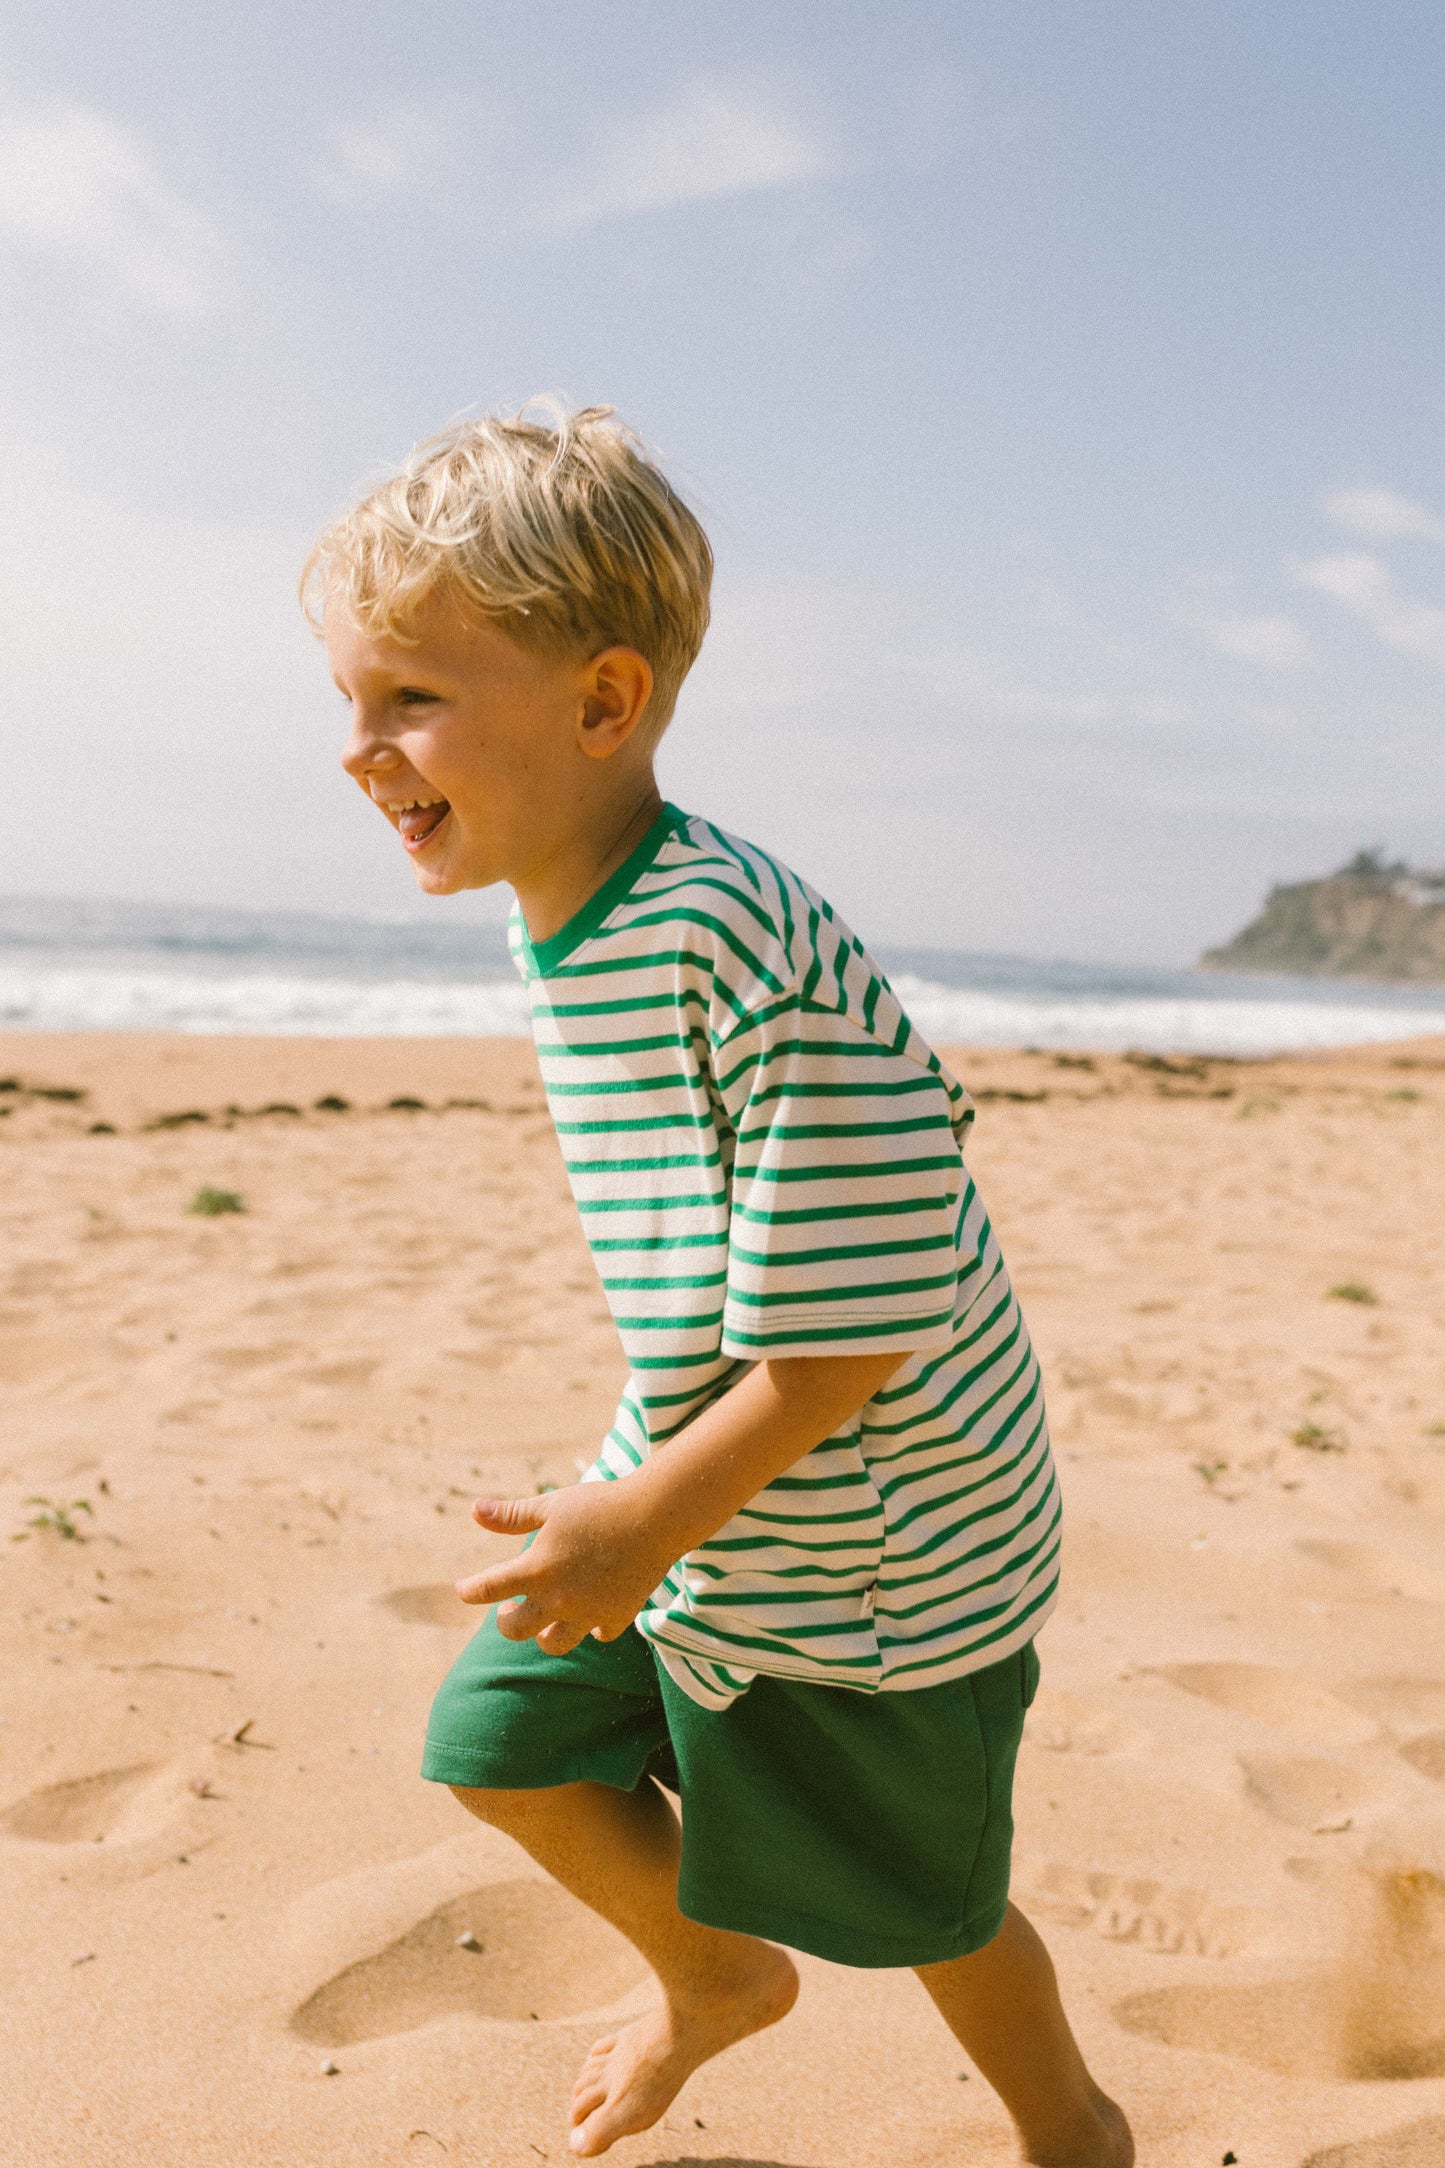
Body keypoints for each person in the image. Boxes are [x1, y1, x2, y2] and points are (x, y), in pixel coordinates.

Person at [303, 402, 1133, 2167]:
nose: (363, 750)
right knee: (499, 1740)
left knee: (927, 1903)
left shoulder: (727, 936)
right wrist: (645, 1500)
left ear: (603, 703)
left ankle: (1074, 2129)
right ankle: (711, 1975)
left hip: (881, 1547)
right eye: (351, 704)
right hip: (705, 1487)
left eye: (414, 700)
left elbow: (848, 1340)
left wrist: (642, 1524)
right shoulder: (570, 914)